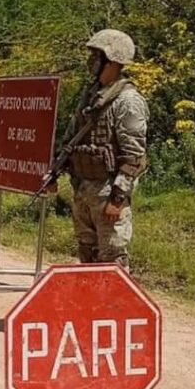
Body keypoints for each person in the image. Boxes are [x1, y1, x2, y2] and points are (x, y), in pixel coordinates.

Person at [55, 29, 149, 271]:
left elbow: (134, 157)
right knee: (87, 254)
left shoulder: (128, 101)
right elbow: (71, 138)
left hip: (108, 190)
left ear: (113, 61)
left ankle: (116, 298)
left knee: (111, 259)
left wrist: (117, 199)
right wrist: (56, 170)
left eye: (97, 56)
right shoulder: (91, 95)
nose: (91, 61)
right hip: (84, 187)